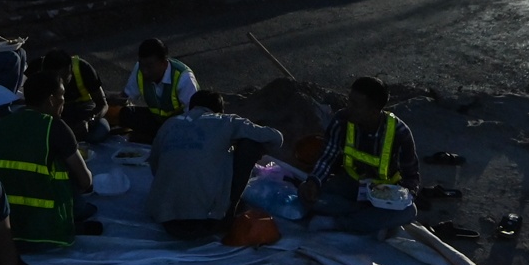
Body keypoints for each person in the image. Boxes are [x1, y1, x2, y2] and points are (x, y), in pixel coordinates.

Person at [147, 90, 284, 240]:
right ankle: (228, 213)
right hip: (207, 222)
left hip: (164, 219)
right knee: (250, 145)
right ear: (220, 110)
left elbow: (155, 166)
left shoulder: (169, 124)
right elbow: (276, 137)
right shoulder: (225, 121)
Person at [0, 71, 101, 248]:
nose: (64, 102)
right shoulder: (54, 127)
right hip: (47, 228)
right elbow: (86, 181)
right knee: (82, 200)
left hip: (6, 222)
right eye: (61, 96)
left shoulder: (0, 125)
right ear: (50, 100)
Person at [296, 76, 421, 237]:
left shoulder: (400, 132)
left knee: (408, 212)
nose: (348, 107)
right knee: (304, 193)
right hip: (350, 185)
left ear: (374, 109)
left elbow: (411, 176)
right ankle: (369, 220)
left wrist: (403, 197)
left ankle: (340, 223)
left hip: (385, 194)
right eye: (349, 101)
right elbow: (327, 157)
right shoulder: (341, 120)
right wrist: (313, 181)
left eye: (355, 104)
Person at [120, 37, 197, 142]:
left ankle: (156, 139)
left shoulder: (184, 78)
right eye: (142, 65)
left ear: (164, 64)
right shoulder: (139, 69)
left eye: (149, 66)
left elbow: (194, 116)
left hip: (177, 125)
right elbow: (126, 97)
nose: (145, 71)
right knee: (125, 114)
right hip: (156, 120)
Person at [37, 48, 109, 142]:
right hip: (54, 113)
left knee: (99, 132)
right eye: (56, 80)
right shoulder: (36, 74)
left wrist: (90, 121)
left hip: (84, 109)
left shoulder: (83, 68)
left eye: (64, 79)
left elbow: (103, 104)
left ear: (70, 71)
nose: (60, 85)